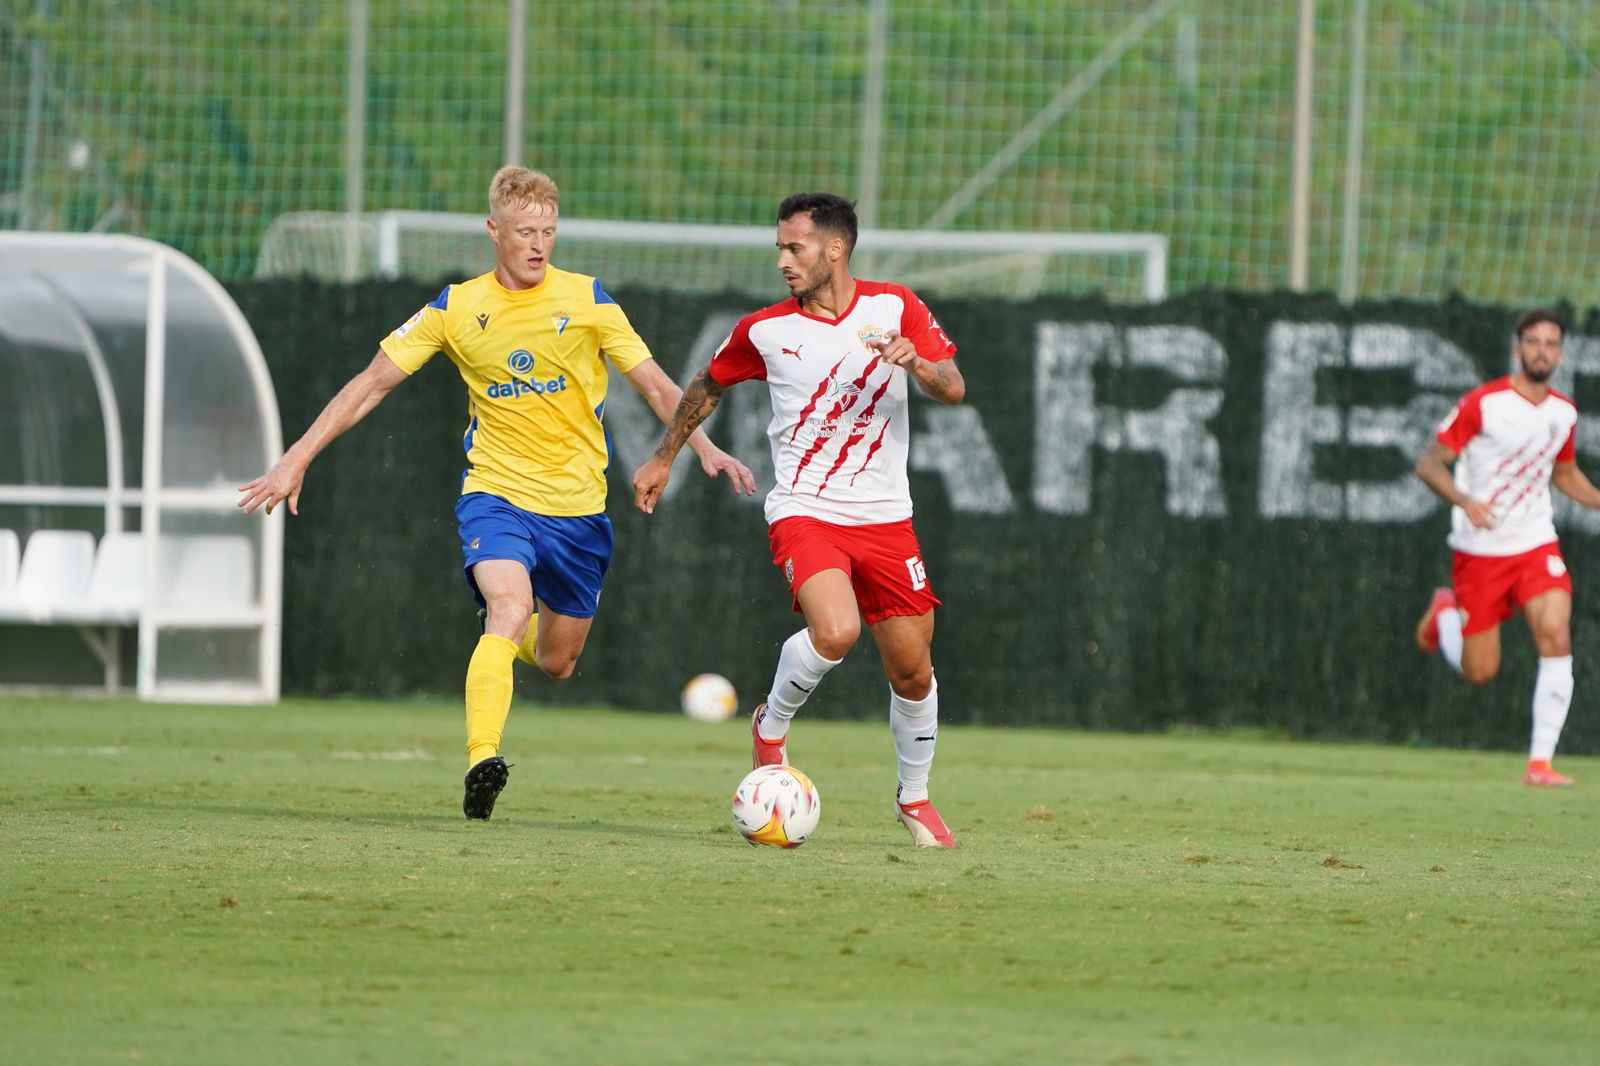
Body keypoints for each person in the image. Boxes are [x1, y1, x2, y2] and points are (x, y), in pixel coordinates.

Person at [239, 166, 755, 819]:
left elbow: (655, 383)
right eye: (525, 232)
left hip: (578, 512)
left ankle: (511, 637)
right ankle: (483, 758)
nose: (539, 245)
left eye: (548, 231)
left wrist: (699, 449)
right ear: (494, 231)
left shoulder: (588, 298)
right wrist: (296, 457)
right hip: (497, 496)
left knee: (557, 662)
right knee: (507, 610)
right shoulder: (456, 309)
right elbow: (370, 383)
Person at [631, 192, 965, 847]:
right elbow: (707, 386)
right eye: (780, 247)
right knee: (835, 631)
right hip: (805, 510)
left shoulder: (893, 306)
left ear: (834, 249)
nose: (783, 260)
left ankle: (915, 798)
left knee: (913, 671)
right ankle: (771, 723)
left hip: (887, 519)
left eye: (796, 247)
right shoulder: (765, 330)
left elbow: (951, 385)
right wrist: (664, 456)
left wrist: (915, 361)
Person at [1413, 307, 1600, 787]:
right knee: (1480, 671)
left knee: (1556, 633)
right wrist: (1464, 499)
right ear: (1518, 350)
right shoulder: (1483, 403)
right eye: (1533, 342)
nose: (1543, 351)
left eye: (1551, 343)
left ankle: (1540, 764)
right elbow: (1430, 465)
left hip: (1536, 543)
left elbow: (1563, 475)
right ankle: (1445, 614)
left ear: (1560, 352)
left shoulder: (1563, 413)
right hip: (1479, 550)